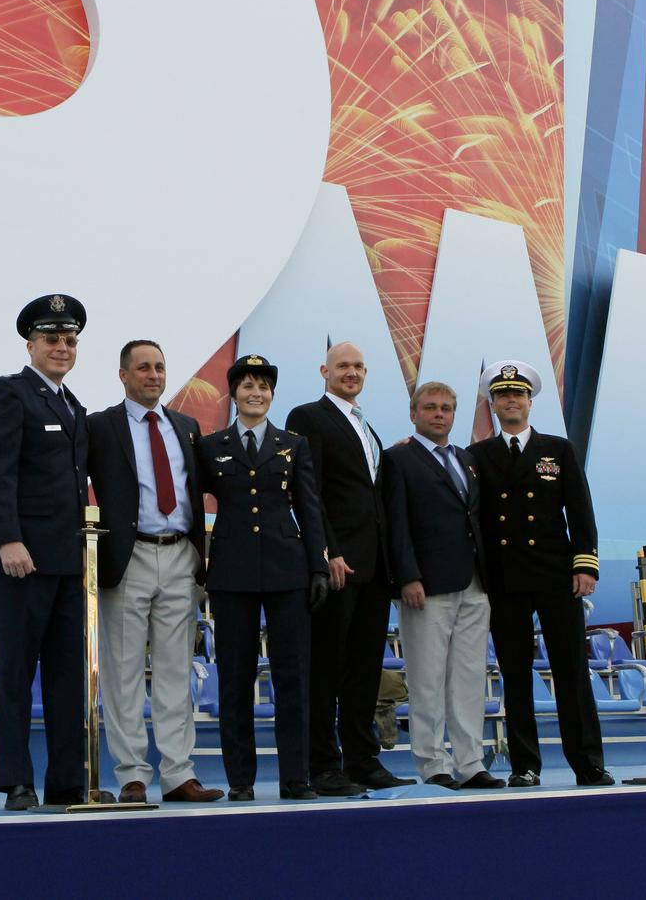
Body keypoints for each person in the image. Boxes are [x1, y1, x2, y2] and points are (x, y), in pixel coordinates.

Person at [87, 339, 223, 805]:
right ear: (123, 374)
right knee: (123, 672)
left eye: (160, 367)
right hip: (129, 557)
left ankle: (179, 774)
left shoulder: (186, 427)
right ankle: (132, 776)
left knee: (174, 671)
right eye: (143, 367)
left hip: (180, 554)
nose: (154, 375)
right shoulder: (100, 427)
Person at [466, 361, 612, 787]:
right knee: (515, 676)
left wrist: (585, 563)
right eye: (502, 395)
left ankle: (588, 762)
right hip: (505, 579)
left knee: (571, 672)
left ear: (530, 401)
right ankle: (524, 765)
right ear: (492, 404)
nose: (511, 401)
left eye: (519, 394)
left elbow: (580, 510)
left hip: (555, 576)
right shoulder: (477, 456)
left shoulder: (558, 449)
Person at [0, 293, 91, 810]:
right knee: (17, 676)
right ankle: (16, 782)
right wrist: (7, 538)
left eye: (69, 340)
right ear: (31, 344)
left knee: (68, 680)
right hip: (20, 560)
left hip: (67, 562)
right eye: (52, 339)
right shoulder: (10, 394)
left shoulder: (73, 406)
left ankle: (66, 783)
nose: (62, 347)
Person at [197, 354, 330, 801]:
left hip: (287, 570)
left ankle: (296, 777)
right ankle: (241, 780)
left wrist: (317, 565)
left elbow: (309, 508)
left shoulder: (294, 443)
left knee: (293, 678)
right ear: (233, 394)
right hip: (232, 573)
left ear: (272, 394)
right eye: (248, 386)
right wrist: (199, 562)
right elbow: (192, 507)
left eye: (264, 387)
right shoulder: (211, 445)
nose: (256, 394)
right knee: (235, 678)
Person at [286, 342, 412, 794]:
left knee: (365, 669)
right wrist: (329, 552)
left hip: (375, 567)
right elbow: (310, 491)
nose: (352, 372)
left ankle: (362, 759)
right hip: (339, 563)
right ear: (325, 371)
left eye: (359, 366)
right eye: (343, 366)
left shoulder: (366, 426)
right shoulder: (308, 416)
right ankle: (322, 763)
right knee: (326, 668)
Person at [382, 382, 504, 789]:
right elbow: (395, 524)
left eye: (447, 408)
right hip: (426, 585)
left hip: (473, 581)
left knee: (469, 677)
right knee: (427, 679)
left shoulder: (467, 460)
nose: (439, 414)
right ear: (413, 413)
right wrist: (407, 576)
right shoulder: (398, 458)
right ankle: (432, 763)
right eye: (430, 407)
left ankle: (471, 762)